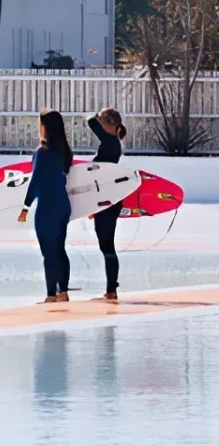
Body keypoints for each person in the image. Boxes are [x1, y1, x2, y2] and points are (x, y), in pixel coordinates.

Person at [19, 109, 73, 303]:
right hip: (63, 205)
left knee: (48, 253)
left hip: (47, 207)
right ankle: (63, 292)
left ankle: (51, 294)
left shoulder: (42, 153)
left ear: (45, 128)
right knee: (59, 249)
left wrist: (25, 206)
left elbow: (36, 182)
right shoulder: (64, 151)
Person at [89, 107, 127, 301]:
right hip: (107, 198)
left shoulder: (110, 141)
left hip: (106, 201)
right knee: (107, 245)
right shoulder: (112, 142)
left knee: (107, 246)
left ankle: (112, 289)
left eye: (101, 119)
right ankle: (111, 288)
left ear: (108, 123)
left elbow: (89, 121)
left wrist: (96, 116)